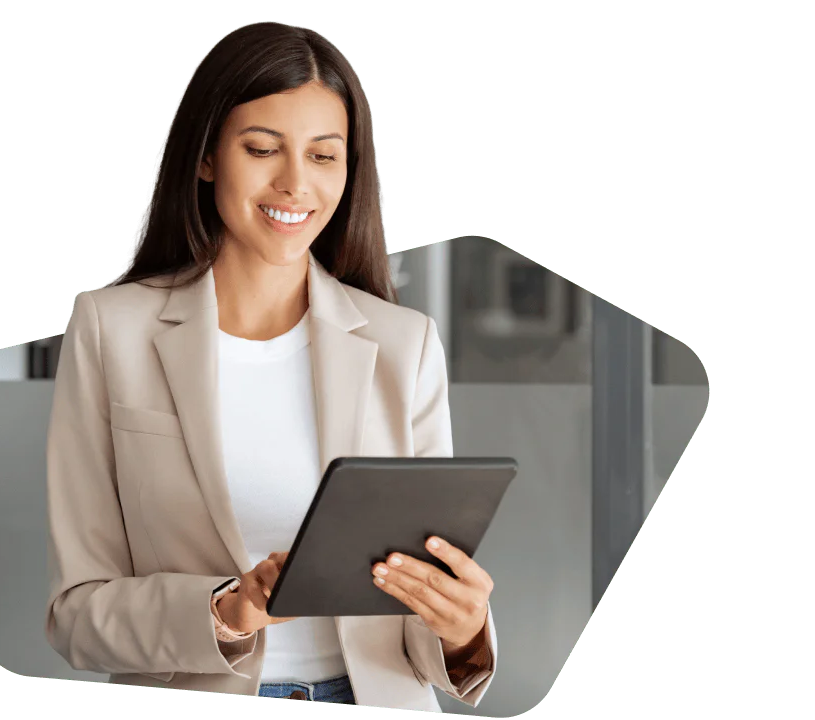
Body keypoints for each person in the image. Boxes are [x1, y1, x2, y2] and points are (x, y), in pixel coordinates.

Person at [44, 21, 498, 713]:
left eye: (324, 156)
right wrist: (228, 609)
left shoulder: (404, 344)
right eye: (262, 149)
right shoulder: (113, 331)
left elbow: (420, 613)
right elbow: (77, 615)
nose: (295, 184)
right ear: (206, 158)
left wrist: (464, 630)